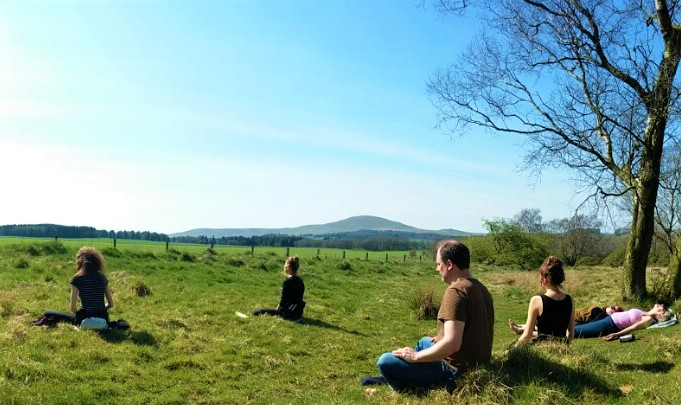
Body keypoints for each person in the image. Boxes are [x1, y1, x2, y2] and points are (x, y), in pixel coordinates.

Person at [366, 240, 494, 394]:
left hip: (456, 372)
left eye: (438, 264)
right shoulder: (481, 288)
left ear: (449, 264)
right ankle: (410, 373)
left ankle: (409, 389)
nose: (436, 269)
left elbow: (453, 343)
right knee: (424, 342)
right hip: (476, 362)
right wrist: (441, 337)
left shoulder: (456, 291)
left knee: (385, 361)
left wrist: (414, 357)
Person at [34, 246, 114, 326]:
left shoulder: (77, 278)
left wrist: (82, 315)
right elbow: (110, 304)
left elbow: (73, 308)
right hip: (103, 319)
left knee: (48, 312)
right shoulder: (102, 278)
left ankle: (47, 320)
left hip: (84, 320)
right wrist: (100, 310)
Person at [510, 256, 575, 346]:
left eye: (541, 277)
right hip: (562, 349)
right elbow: (571, 333)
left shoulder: (537, 300)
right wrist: (564, 348)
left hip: (542, 349)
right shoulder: (570, 299)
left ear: (547, 278)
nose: (539, 280)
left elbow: (527, 335)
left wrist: (512, 350)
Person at [574, 303, 674, 340]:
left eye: (663, 307)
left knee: (576, 332)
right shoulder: (645, 313)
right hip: (608, 319)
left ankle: (559, 335)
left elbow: (633, 327)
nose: (661, 304)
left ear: (660, 313)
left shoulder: (648, 319)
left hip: (609, 325)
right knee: (577, 325)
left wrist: (617, 334)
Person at [252, 256, 306, 321]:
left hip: (288, 313)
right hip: (298, 312)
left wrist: (276, 310)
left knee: (256, 312)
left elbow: (283, 301)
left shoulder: (288, 282)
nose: (284, 266)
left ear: (288, 267)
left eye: (285, 264)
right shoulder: (300, 281)